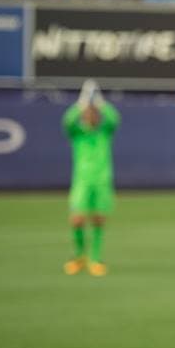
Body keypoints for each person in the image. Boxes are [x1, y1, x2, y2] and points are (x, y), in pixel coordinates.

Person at [62, 80, 121, 277]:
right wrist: (80, 104)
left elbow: (115, 118)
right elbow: (67, 121)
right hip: (82, 182)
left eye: (93, 112)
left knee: (98, 220)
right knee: (77, 219)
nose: (91, 115)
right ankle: (79, 256)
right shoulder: (78, 134)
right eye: (89, 112)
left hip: (102, 182)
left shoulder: (104, 132)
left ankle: (95, 258)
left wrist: (101, 102)